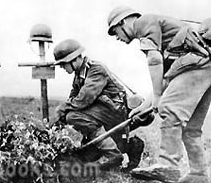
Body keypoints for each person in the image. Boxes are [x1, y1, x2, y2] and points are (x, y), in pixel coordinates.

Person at [107, 6, 211, 183]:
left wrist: (160, 98)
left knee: (169, 108)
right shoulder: (166, 40)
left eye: (115, 33)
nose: (118, 39)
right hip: (210, 67)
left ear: (122, 22)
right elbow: (165, 82)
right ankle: (198, 176)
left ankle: (167, 165)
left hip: (198, 64)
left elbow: (154, 60)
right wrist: (144, 106)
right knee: (191, 128)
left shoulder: (143, 23)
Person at [53, 39, 146, 171]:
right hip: (105, 112)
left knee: (72, 117)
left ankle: (113, 155)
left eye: (63, 64)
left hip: (115, 111)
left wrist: (61, 110)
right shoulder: (80, 74)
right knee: (85, 156)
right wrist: (59, 118)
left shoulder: (95, 70)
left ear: (73, 59)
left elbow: (83, 99)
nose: (62, 67)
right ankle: (132, 146)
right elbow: (73, 97)